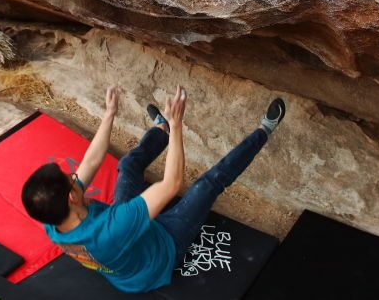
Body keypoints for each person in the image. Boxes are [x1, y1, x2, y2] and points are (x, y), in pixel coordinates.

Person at [21, 84, 286, 293]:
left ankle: (162, 128)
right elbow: (172, 184)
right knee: (209, 183)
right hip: (162, 251)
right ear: (71, 196)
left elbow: (91, 161)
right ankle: (264, 130)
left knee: (128, 166)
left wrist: (110, 113)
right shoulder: (110, 230)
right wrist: (179, 125)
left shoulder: (53, 221)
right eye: (70, 179)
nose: (73, 175)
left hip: (130, 246)